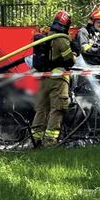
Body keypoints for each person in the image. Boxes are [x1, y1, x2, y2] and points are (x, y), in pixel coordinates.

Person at [30, 10, 76, 147]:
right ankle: (49, 142)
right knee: (57, 109)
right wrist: (75, 51)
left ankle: (35, 140)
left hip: (44, 79)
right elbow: (70, 60)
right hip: (58, 80)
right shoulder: (61, 38)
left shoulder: (46, 36)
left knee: (41, 110)